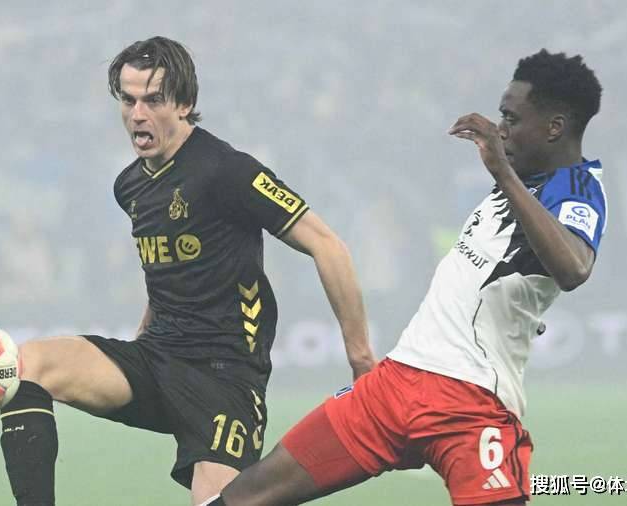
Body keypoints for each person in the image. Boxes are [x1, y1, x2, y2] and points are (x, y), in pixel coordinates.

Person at [207, 48, 606, 506]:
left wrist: (502, 172)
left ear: (555, 127)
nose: (501, 130)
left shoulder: (576, 188)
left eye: (512, 119)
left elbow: (574, 267)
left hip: (471, 403)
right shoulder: (519, 181)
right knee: (245, 496)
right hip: (395, 383)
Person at [0, 36, 376, 506]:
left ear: (184, 103)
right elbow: (167, 272)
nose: (138, 114)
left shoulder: (228, 171)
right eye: (129, 100)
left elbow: (328, 245)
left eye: (153, 100)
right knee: (25, 366)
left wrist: (361, 358)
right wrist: (141, 340)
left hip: (225, 376)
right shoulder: (130, 186)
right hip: (157, 358)